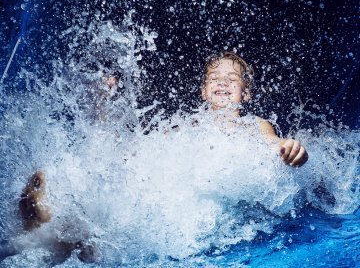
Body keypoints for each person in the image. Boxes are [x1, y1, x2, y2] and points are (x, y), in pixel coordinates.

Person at [18, 51, 308, 261]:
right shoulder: (189, 124)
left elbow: (273, 143)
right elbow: (148, 151)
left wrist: (291, 148)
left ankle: (62, 239)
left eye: (232, 79)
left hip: (204, 206)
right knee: (126, 185)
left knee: (122, 233)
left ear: (246, 94)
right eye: (215, 78)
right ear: (204, 92)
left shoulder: (254, 123)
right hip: (171, 191)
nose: (223, 82)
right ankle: (57, 228)